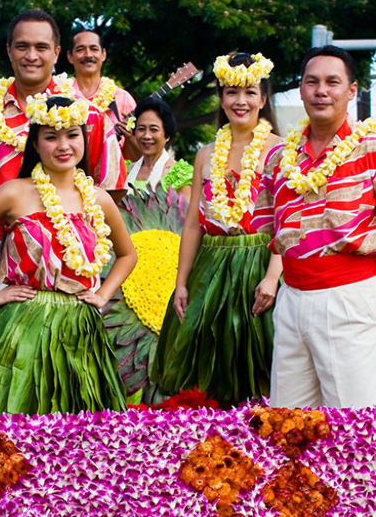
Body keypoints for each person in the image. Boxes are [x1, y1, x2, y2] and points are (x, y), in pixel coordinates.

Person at [0, 96, 136, 417]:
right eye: (51, 136)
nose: (63, 145)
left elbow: (127, 254)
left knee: (78, 429)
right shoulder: (15, 192)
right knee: (15, 422)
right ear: (35, 141)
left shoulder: (98, 199)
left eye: (72, 135)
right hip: (21, 326)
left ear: (84, 139)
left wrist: (102, 294)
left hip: (79, 326)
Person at [0, 9, 126, 313]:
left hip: (74, 259)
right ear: (9, 51)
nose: (31, 56)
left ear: (57, 53)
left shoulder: (88, 116)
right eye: (22, 46)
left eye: (41, 47)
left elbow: (110, 191)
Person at [150, 52, 283, 404]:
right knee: (206, 369)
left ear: (264, 99)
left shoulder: (280, 150)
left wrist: (272, 278)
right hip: (211, 267)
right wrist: (181, 282)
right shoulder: (206, 154)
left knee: (258, 368)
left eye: (250, 92)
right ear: (221, 98)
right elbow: (193, 223)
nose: (241, 101)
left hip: (259, 264)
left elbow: (288, 222)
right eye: (231, 92)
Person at [253, 45, 376, 408]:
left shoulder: (370, 148)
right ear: (301, 90)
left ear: (351, 91)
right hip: (291, 298)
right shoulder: (279, 158)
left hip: (349, 298)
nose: (321, 90)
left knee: (352, 422)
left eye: (332, 82)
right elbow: (268, 231)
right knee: (287, 421)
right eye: (312, 82)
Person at [67, 28, 139, 160]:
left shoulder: (122, 99)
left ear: (103, 55)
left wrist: (129, 138)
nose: (88, 54)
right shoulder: (60, 94)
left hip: (115, 176)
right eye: (80, 49)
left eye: (94, 49)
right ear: (70, 56)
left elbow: (137, 154)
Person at [127, 97, 193, 200]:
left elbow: (186, 215)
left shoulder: (179, 175)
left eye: (154, 129)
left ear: (167, 135)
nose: (146, 136)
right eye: (141, 129)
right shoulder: (126, 171)